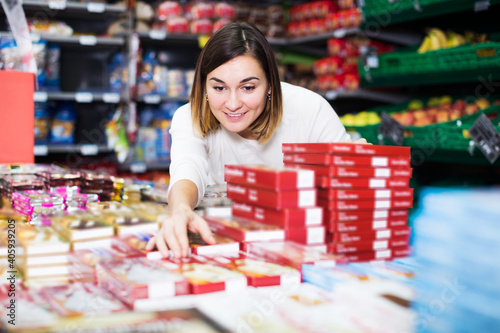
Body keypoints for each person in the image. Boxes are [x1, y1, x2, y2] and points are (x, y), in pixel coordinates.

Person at [146, 21, 365, 258]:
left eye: (247, 87)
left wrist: (360, 169)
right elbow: (188, 168)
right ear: (204, 85)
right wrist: (180, 210)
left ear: (270, 84)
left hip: (305, 250)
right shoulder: (189, 117)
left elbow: (350, 184)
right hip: (234, 251)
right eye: (219, 88)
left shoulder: (310, 109)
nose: (232, 104)